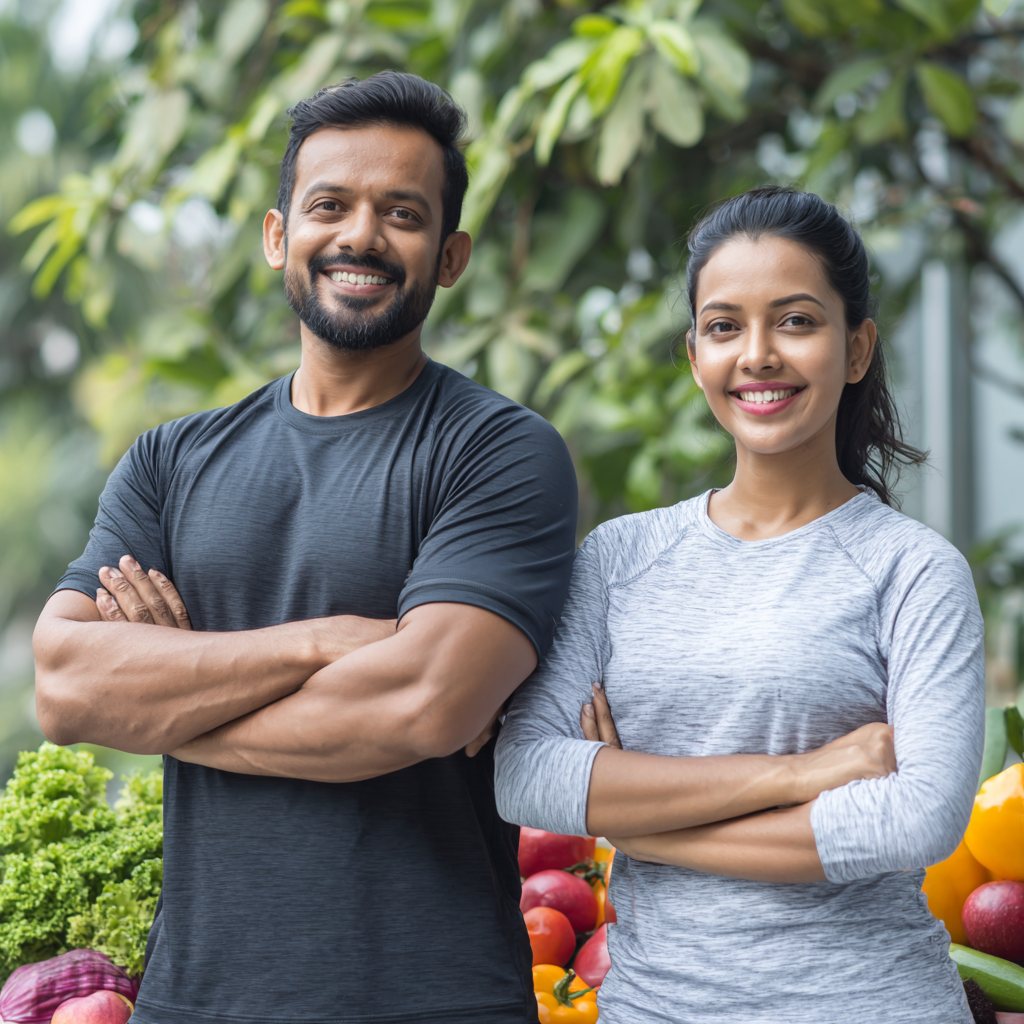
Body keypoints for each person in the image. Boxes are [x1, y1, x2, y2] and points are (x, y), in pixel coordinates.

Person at [32, 72, 580, 1024]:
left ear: (449, 256)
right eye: (330, 204)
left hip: (430, 1002)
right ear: (280, 236)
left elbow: (419, 704)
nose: (360, 235)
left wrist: (168, 703)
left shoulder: (500, 453)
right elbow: (68, 688)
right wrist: (326, 642)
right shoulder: (170, 460)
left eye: (401, 212)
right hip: (192, 1002)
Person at [494, 187, 986, 1023]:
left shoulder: (914, 571)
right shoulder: (619, 558)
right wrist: (801, 775)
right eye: (725, 327)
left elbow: (914, 822)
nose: (758, 354)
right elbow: (525, 774)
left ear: (857, 347)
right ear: (695, 356)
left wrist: (636, 823)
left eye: (796, 321)